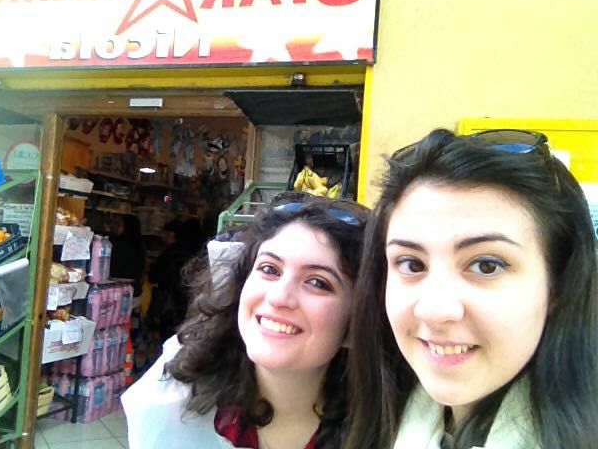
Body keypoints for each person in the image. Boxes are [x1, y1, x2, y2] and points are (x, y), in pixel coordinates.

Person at [347, 129, 598, 449]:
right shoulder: (384, 424)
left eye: (486, 265)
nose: (434, 310)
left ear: (558, 283)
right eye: (411, 264)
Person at [122, 193, 369, 448]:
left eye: (317, 282)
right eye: (269, 269)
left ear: (356, 323)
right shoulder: (171, 411)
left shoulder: (385, 432)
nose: (278, 297)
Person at [148, 220, 193, 341]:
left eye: (165, 233)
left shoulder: (168, 254)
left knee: (166, 335)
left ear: (172, 235)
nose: (162, 236)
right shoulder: (189, 253)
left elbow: (154, 276)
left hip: (167, 301)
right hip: (184, 302)